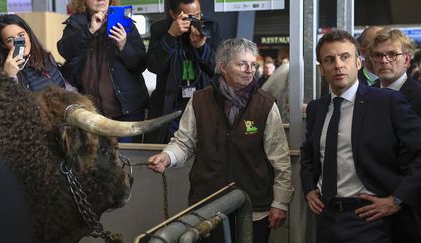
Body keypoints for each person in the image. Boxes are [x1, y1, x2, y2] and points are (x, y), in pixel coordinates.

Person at [147, 38, 293, 243]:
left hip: (254, 207)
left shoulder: (265, 104)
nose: (250, 70)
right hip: (206, 205)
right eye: (242, 64)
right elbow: (184, 142)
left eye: (253, 64)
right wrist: (167, 156)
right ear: (223, 67)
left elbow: (280, 158)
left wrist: (280, 202)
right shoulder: (199, 101)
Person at [300, 29, 421, 243]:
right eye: (330, 59)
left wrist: (397, 199)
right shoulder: (317, 109)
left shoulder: (387, 102)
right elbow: (309, 153)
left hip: (370, 219)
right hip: (326, 218)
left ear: (358, 62)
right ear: (321, 69)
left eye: (345, 57)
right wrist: (309, 187)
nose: (338, 65)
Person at [57, 0, 148, 143]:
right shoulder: (76, 23)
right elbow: (65, 51)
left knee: (128, 156)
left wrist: (123, 45)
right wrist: (90, 30)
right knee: (95, 160)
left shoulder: (125, 22)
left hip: (127, 110)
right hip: (91, 111)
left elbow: (140, 65)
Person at [145, 0, 221, 143]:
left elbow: (217, 68)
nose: (195, 21)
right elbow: (154, 66)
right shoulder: (160, 29)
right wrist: (170, 36)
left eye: (198, 15)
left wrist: (201, 46)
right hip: (170, 105)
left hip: (203, 103)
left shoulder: (210, 27)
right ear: (173, 14)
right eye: (189, 17)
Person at [0, 14, 65, 91]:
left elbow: (62, 89)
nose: (20, 42)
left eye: (21, 35)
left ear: (28, 34)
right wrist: (7, 77)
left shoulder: (45, 57)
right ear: (3, 45)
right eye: (10, 40)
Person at [369, 28, 421, 116]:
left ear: (407, 59)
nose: (384, 60)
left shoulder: (419, 95)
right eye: (378, 55)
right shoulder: (367, 94)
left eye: (392, 54)